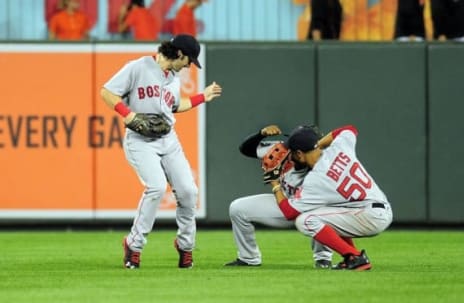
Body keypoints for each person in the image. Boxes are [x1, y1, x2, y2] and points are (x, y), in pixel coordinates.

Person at [100, 34, 222, 269]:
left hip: (168, 140)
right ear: (178, 53)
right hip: (140, 140)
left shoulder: (174, 78)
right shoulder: (138, 67)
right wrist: (129, 115)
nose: (189, 65)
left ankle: (186, 246)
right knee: (156, 187)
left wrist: (202, 97)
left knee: (188, 191)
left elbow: (175, 106)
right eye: (188, 60)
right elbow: (107, 92)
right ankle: (133, 246)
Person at [266, 125, 393, 271]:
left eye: (293, 154)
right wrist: (316, 145)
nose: (292, 157)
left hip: (369, 216)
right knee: (325, 212)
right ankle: (351, 257)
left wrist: (275, 184)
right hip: (376, 207)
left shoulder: (315, 180)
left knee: (305, 221)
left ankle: (354, 257)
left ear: (299, 154)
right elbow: (349, 129)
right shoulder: (338, 148)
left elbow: (289, 212)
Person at [225, 125, 333, 268]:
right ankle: (248, 258)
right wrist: (260, 134)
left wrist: (274, 183)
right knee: (238, 208)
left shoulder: (326, 163)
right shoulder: (283, 150)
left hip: (309, 209)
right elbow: (246, 149)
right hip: (283, 202)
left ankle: (323, 258)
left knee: (323, 210)